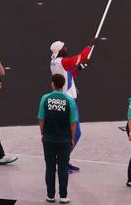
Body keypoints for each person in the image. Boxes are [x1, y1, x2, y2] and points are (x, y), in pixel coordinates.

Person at [38, 73, 78, 204]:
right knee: (62, 167)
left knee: (49, 167)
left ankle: (50, 195)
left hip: (49, 138)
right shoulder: (70, 100)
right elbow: (72, 122)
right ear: (63, 85)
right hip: (64, 139)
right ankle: (63, 196)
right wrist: (72, 138)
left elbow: (41, 119)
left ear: (53, 84)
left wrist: (43, 134)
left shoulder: (45, 98)